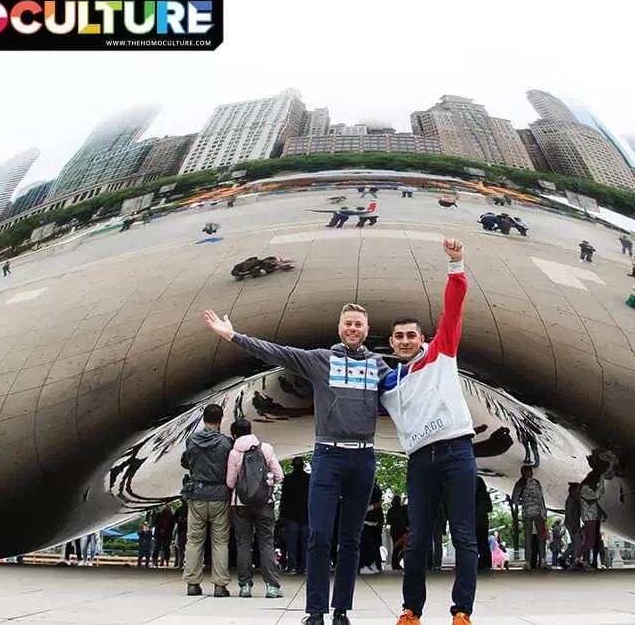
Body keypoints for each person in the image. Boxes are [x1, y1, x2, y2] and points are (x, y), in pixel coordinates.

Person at [204, 301, 391, 625]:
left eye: (358, 325)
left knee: (350, 538)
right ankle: (316, 611)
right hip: (328, 456)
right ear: (339, 327)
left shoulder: (379, 366)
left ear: (366, 330)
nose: (353, 329)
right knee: (319, 535)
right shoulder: (321, 360)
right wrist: (234, 336)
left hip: (363, 458)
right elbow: (277, 352)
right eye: (348, 323)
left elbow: (411, 384)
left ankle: (342, 611)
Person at [378, 238, 477, 625]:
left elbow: (453, 309)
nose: (405, 341)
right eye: (399, 337)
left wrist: (456, 265)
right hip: (420, 461)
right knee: (417, 539)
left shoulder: (442, 352)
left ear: (422, 339)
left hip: (456, 453)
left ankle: (462, 612)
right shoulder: (387, 384)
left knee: (464, 535)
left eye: (411, 335)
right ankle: (411, 611)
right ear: (391, 343)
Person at [225, 417, 284, 599]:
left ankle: (245, 586)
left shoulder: (234, 453)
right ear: (251, 430)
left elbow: (230, 481)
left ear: (234, 435)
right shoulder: (265, 449)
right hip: (264, 503)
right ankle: (272, 587)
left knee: (243, 543)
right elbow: (279, 475)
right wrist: (265, 486)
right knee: (266, 542)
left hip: (241, 504)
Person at [181, 403, 234, 597]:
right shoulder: (226, 443)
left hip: (196, 495)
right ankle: (220, 585)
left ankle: (192, 583)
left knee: (194, 540)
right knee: (220, 541)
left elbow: (187, 462)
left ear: (204, 419)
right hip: (220, 494)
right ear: (221, 420)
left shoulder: (192, 441)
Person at [511, 465, 547, 571]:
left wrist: (524, 502)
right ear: (531, 473)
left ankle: (527, 561)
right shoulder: (536, 483)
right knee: (541, 537)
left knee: (528, 537)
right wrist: (544, 513)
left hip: (526, 513)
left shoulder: (519, 484)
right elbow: (541, 498)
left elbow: (514, 500)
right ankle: (543, 561)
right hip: (538, 512)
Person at [279, 456, 310, 574]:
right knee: (306, 542)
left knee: (292, 542)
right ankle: (306, 566)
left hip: (292, 515)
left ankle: (292, 566)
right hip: (306, 514)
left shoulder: (288, 479)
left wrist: (283, 514)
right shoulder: (309, 479)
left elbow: (284, 499)